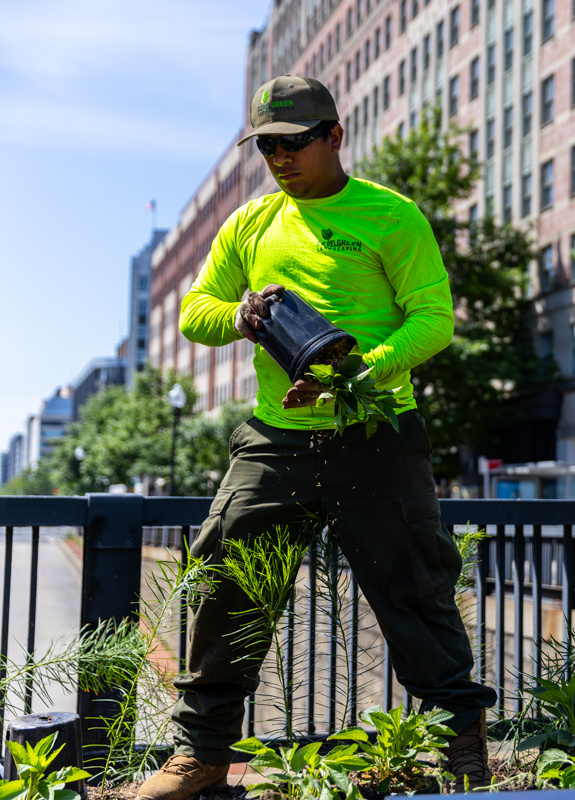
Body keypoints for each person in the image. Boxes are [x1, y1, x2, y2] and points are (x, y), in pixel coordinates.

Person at [137, 75, 497, 800]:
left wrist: (358, 369)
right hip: (277, 439)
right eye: (266, 146)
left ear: (335, 136)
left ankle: (460, 750)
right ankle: (203, 754)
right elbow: (194, 313)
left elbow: (433, 319)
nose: (278, 159)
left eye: (292, 144)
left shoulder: (392, 216)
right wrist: (239, 317)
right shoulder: (251, 224)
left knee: (417, 587)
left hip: (377, 434)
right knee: (224, 581)